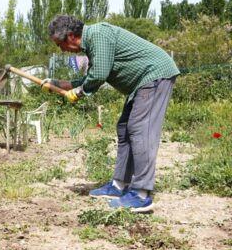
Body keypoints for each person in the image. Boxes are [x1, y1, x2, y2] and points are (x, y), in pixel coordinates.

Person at [43, 15, 180, 213]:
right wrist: (58, 84)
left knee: (140, 130)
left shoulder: (98, 34)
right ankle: (119, 185)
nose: (62, 50)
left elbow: (99, 74)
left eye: (60, 44)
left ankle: (142, 194)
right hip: (142, 83)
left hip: (155, 75)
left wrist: (80, 92)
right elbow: (92, 76)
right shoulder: (93, 44)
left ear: (71, 36)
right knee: (124, 129)